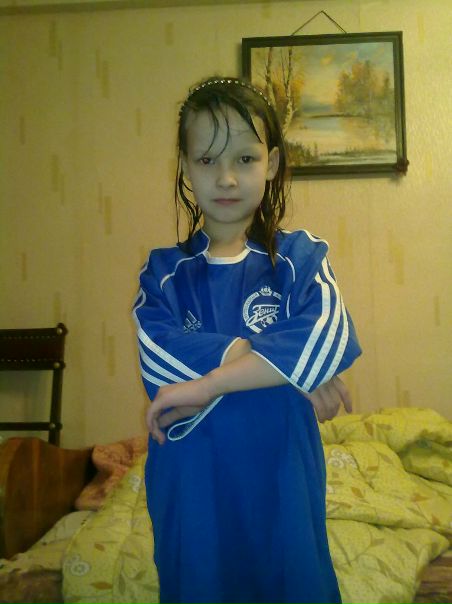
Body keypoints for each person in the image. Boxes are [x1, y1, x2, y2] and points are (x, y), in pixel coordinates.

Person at [133, 76, 361, 604]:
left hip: (283, 482)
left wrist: (208, 384)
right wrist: (285, 367)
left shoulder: (302, 258)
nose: (227, 177)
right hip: (194, 490)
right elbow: (160, 358)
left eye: (245, 158)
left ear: (272, 163)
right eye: (207, 160)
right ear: (185, 167)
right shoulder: (164, 274)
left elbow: (325, 334)